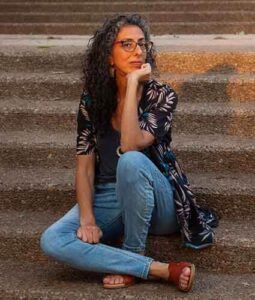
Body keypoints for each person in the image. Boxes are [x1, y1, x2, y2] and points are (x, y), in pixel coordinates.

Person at [40, 14, 198, 292]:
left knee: (131, 161)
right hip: (109, 196)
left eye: (142, 44)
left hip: (158, 199)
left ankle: (133, 252)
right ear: (108, 56)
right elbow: (85, 165)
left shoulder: (162, 95)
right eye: (126, 44)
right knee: (52, 240)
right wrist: (87, 219)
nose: (138, 51)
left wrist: (134, 84)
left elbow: (131, 143)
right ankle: (156, 269)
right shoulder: (93, 99)